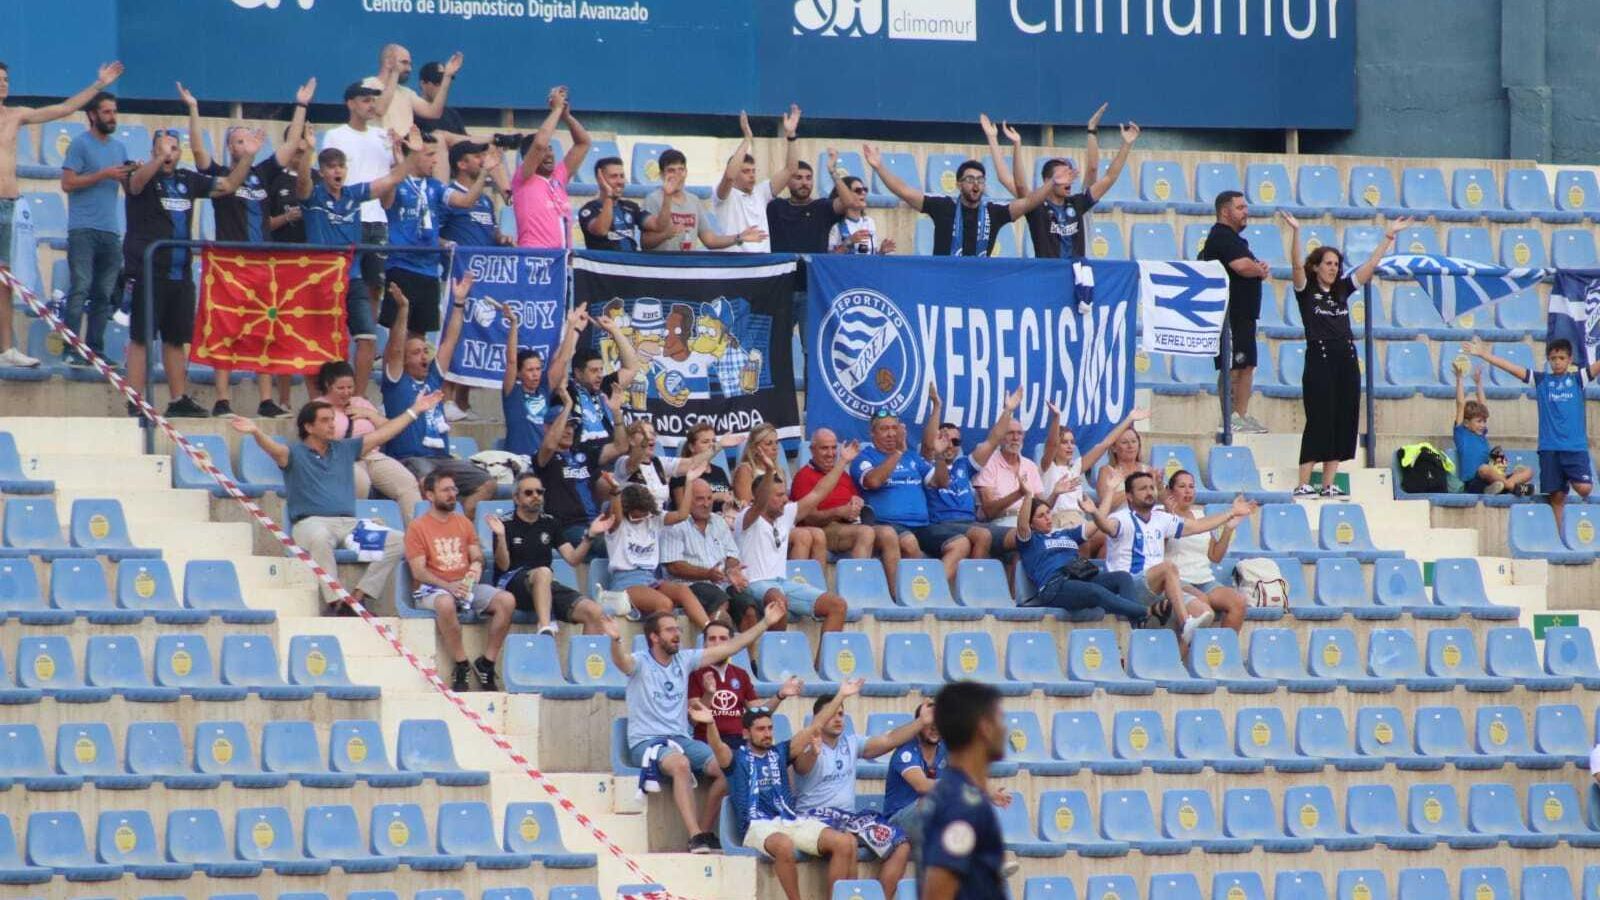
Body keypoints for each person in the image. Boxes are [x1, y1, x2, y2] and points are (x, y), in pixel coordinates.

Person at [608, 600, 787, 853]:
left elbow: (732, 645)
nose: (677, 634)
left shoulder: (685, 659)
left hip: (681, 739)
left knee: (730, 768)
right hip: (646, 742)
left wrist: (765, 623)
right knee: (680, 764)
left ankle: (706, 828)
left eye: (677, 629)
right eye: (670, 630)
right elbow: (622, 662)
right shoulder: (641, 661)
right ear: (654, 637)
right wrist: (615, 641)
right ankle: (696, 836)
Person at [229, 394, 429, 616]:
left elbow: (384, 433)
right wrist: (257, 432)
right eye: (325, 420)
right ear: (309, 426)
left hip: (350, 526)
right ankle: (336, 603)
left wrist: (415, 410)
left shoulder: (345, 449)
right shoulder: (294, 453)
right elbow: (273, 449)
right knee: (321, 536)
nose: (332, 424)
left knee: (398, 541)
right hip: (310, 524)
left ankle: (359, 597)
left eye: (332, 419)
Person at [187, 78, 314, 417]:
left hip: (263, 264)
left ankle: (265, 400)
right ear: (231, 148)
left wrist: (300, 105)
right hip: (229, 264)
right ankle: (223, 399)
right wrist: (194, 111)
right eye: (240, 140)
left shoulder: (262, 173)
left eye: (251, 138)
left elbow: (288, 150)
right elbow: (199, 152)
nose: (247, 143)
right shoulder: (217, 175)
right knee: (226, 330)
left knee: (266, 330)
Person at [123, 127, 253, 417]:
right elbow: (135, 186)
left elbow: (229, 185)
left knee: (175, 337)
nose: (169, 153)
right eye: (163, 147)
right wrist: (157, 159)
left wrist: (249, 157)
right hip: (148, 269)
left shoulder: (188, 180)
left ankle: (177, 399)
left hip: (180, 272)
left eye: (173, 148)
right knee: (142, 337)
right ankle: (135, 401)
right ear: (153, 150)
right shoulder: (139, 172)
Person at [0, 59, 122, 367]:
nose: (3, 84)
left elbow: (65, 108)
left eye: (5, 79)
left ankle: (6, 348)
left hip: (9, 206)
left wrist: (98, 85)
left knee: (5, 282)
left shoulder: (16, 116)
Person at [697, 684, 864, 900]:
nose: (767, 734)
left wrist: (840, 695)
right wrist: (710, 723)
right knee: (784, 844)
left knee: (843, 842)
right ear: (746, 733)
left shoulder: (781, 752)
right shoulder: (735, 760)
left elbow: (816, 726)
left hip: (791, 821)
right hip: (757, 826)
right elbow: (717, 745)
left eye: (769, 728)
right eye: (760, 729)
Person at [1280, 210, 1405, 496]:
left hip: (1346, 361)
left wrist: (1388, 237)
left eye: (1336, 264)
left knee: (1343, 418)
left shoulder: (1342, 291)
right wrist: (1297, 232)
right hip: (1320, 360)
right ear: (1317, 267)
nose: (1333, 268)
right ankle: (1303, 482)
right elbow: (1296, 266)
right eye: (1328, 263)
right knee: (1320, 418)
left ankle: (1328, 484)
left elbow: (1369, 266)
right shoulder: (1306, 290)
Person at [295, 128, 413, 397]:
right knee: (315, 343)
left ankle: (357, 399)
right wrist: (308, 152)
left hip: (353, 277)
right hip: (320, 280)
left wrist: (412, 154)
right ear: (322, 171)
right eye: (332, 167)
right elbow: (302, 182)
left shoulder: (353, 194)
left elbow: (393, 177)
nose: (337, 171)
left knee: (367, 337)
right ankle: (318, 400)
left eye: (341, 166)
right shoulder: (313, 197)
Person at [1083, 472, 1255, 646]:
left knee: (1203, 612)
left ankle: (1179, 663)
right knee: (1168, 568)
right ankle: (1185, 622)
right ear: (1129, 496)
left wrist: (1231, 513)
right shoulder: (1121, 518)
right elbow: (1105, 526)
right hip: (1129, 585)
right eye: (1143, 489)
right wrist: (1096, 513)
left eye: (1151, 488)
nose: (1149, 492)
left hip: (1157, 586)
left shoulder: (1162, 519)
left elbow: (1197, 526)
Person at [378, 272, 497, 519]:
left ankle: (461, 525)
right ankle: (433, 532)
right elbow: (397, 346)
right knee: (429, 483)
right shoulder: (396, 382)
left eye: (425, 351)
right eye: (416, 353)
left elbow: (450, 341)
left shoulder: (433, 379)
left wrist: (459, 303)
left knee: (488, 484)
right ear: (403, 359)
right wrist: (403, 310)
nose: (424, 356)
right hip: (411, 459)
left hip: (443, 459)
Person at [791, 692, 924, 897]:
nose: (838, 719)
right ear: (819, 717)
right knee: (847, 842)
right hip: (813, 817)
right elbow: (801, 766)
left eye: (841, 714)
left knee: (901, 845)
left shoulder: (851, 743)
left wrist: (922, 721)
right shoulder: (806, 747)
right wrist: (813, 752)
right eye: (832, 714)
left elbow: (889, 739)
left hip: (848, 818)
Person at [1468, 336, 1600, 531]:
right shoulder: (1541, 380)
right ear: (1548, 360)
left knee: (1585, 488)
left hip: (1574, 448)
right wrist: (1484, 354)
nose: (1557, 362)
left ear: (1569, 359)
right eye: (1553, 358)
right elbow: (1511, 368)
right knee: (1556, 497)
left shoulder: (1578, 379)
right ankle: (1558, 536)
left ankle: (1566, 475)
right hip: (1549, 449)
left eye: (1561, 358)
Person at [405, 470, 516, 692]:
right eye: (445, 490)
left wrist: (476, 564)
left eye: (454, 489)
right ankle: (461, 662)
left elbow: (476, 554)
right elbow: (418, 572)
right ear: (429, 495)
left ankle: (487, 663)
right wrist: (448, 586)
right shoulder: (417, 527)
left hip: (465, 586)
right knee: (445, 603)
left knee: (507, 600)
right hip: (432, 589)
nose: (452, 494)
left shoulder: (463, 522)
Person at [862, 140, 1053, 257]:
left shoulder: (994, 212)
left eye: (980, 180)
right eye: (969, 180)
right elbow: (903, 190)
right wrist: (879, 167)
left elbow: (1028, 202)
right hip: (945, 281)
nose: (975, 184)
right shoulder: (943, 206)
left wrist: (1052, 183)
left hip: (978, 282)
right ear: (958, 184)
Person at [739, 450, 854, 639]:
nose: (785, 499)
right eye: (778, 495)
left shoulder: (785, 514)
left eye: (784, 494)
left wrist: (843, 461)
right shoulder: (746, 517)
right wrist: (769, 471)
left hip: (782, 584)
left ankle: (821, 667)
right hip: (754, 583)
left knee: (837, 605)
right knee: (777, 599)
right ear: (763, 496)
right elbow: (759, 503)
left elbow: (819, 492)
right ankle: (776, 661)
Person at [918, 384, 1024, 583]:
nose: (950, 445)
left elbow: (993, 441)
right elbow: (930, 452)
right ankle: (974, 590)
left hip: (969, 524)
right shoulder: (926, 464)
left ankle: (1014, 600)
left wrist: (1008, 411)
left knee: (1023, 537)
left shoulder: (964, 465)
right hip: (940, 525)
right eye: (944, 440)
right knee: (982, 535)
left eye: (955, 442)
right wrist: (937, 407)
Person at [59, 88, 133, 365]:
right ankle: (71, 349)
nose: (112, 117)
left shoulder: (119, 148)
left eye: (114, 112)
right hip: (83, 229)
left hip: (111, 230)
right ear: (92, 115)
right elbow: (67, 183)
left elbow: (127, 184)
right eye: (106, 112)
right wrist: (103, 174)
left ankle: (95, 349)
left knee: (104, 292)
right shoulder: (79, 144)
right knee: (81, 287)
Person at [917, 681, 1010, 900]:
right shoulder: (963, 805)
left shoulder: (953, 793)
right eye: (999, 718)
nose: (1005, 728)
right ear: (984, 728)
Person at [487, 471, 608, 637]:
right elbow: (503, 565)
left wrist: (590, 536)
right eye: (529, 493)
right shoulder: (504, 524)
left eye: (539, 492)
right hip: (512, 586)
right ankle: (545, 627)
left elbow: (573, 559)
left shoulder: (550, 522)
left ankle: (583, 662)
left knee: (593, 611)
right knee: (544, 572)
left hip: (544, 586)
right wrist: (500, 536)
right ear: (516, 498)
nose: (535, 496)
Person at [1006, 487, 1145, 622]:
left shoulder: (1066, 534)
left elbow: (1098, 523)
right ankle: (1145, 611)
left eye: (1048, 512)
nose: (1048, 518)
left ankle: (1135, 627)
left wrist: (1107, 494)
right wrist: (1028, 495)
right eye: (1041, 516)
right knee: (1094, 591)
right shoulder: (1030, 542)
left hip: (1081, 577)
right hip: (1055, 587)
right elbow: (1022, 525)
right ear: (1032, 524)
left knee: (1123, 577)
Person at [790, 427, 902, 593]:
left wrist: (856, 504)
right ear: (812, 450)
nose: (830, 453)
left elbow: (854, 501)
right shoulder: (803, 476)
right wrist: (837, 512)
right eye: (824, 448)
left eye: (834, 448)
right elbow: (807, 518)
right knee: (865, 533)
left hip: (848, 525)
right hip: (822, 528)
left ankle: (897, 595)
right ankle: (855, 593)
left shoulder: (843, 475)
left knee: (888, 533)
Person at [312, 360, 422, 525]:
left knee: (406, 482)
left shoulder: (360, 402)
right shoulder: (317, 407)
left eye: (350, 387)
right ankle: (354, 531)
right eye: (340, 388)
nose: (346, 392)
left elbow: (390, 429)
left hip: (372, 455)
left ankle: (416, 535)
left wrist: (369, 414)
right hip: (341, 458)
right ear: (328, 385)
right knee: (361, 482)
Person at [1018, 115, 1139, 260]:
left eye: (1070, 175)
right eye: (1062, 175)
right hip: (1049, 275)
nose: (1068, 180)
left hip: (1078, 275)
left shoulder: (1076, 203)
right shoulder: (1036, 207)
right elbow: (1020, 185)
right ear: (1047, 180)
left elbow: (1109, 178)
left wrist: (1126, 145)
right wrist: (1016, 144)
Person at [323, 82, 393, 332]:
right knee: (343, 283)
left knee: (374, 285)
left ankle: (367, 342)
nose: (371, 105)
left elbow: (391, 176)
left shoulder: (383, 136)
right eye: (365, 99)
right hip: (348, 219)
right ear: (350, 103)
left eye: (374, 100)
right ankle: (337, 337)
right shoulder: (335, 135)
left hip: (378, 219)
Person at [1203, 191, 1274, 434]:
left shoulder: (1236, 240)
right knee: (1232, 366)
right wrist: (1258, 269)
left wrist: (1258, 267)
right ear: (1225, 211)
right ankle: (1229, 417)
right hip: (1229, 317)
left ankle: (1240, 415)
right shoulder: (1220, 236)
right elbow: (1242, 267)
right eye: (1240, 207)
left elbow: (1249, 265)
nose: (1246, 212)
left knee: (1247, 366)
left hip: (1245, 315)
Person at [601, 483, 711, 627]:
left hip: (650, 578)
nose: (642, 518)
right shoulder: (617, 525)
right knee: (664, 603)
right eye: (636, 516)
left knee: (683, 591)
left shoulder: (653, 519)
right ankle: (662, 640)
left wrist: (689, 481)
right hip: (626, 582)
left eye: (645, 514)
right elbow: (616, 515)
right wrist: (615, 492)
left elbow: (682, 515)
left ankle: (709, 629)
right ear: (627, 511)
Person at [536, 384, 629, 550]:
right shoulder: (543, 458)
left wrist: (616, 412)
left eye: (572, 426)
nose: (569, 431)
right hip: (568, 528)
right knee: (613, 545)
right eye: (564, 425)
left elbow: (620, 446)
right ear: (547, 428)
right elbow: (549, 445)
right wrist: (568, 406)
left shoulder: (584, 453)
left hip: (595, 522)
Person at [854, 411, 949, 569]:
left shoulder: (912, 457)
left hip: (923, 526)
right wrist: (898, 452)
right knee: (909, 542)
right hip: (887, 525)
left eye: (894, 428)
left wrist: (939, 456)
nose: (891, 433)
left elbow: (942, 483)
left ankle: (938, 586)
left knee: (961, 543)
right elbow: (873, 481)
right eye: (884, 429)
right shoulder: (865, 457)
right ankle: (920, 589)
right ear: (872, 433)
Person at [664, 480, 763, 629]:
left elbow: (732, 555)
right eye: (700, 499)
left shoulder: (719, 522)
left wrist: (730, 570)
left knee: (749, 608)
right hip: (690, 585)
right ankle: (719, 648)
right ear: (687, 500)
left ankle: (749, 652)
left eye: (709, 498)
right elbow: (674, 567)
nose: (706, 504)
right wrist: (707, 574)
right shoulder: (675, 524)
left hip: (721, 583)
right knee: (719, 601)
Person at [1162, 470, 1247, 632]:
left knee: (1239, 602)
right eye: (1182, 486)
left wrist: (1228, 529)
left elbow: (1215, 556)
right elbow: (1158, 547)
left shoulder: (1201, 515)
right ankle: (1197, 653)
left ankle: (1223, 650)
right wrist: (1169, 513)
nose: (1188, 491)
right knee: (1203, 602)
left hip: (1204, 580)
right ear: (1171, 491)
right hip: (1179, 580)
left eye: (1191, 486)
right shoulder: (1162, 515)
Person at [712, 107, 801, 254]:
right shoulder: (723, 195)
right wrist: (747, 139)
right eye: (746, 171)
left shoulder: (761, 192)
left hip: (761, 267)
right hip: (732, 267)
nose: (752, 175)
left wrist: (791, 135)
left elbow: (791, 169)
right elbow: (729, 176)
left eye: (753, 171)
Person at [1039, 403, 1142, 528]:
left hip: (1079, 520)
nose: (1070, 446)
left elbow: (1105, 444)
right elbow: (1051, 445)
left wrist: (1129, 419)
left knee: (1109, 535)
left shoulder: (1076, 467)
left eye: (1072, 442)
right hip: (1059, 521)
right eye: (1064, 442)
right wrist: (1056, 418)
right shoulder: (1048, 466)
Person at [512, 86, 591, 250]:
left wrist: (566, 116)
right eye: (543, 152)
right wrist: (556, 110)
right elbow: (540, 144)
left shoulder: (559, 176)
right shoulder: (524, 177)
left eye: (551, 150)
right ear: (529, 157)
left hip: (562, 260)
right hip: (534, 258)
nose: (549, 155)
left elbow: (584, 143)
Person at [642, 149, 764, 252]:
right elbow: (645, 243)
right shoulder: (653, 199)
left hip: (689, 271)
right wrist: (665, 235)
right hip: (662, 271)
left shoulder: (693, 200)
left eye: (681, 170)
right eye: (671, 171)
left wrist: (739, 237)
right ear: (662, 175)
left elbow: (710, 240)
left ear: (686, 172)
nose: (677, 175)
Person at [502, 305, 578, 460]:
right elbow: (511, 360)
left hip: (543, 460)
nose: (536, 374)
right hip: (518, 460)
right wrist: (514, 324)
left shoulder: (544, 389)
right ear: (519, 373)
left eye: (538, 369)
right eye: (530, 370)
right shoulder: (512, 392)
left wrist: (571, 326)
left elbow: (563, 359)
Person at [1453, 364, 1533, 497]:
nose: (1483, 425)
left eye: (1484, 421)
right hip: (1474, 482)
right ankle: (1513, 487)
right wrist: (1459, 378)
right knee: (1484, 469)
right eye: (1479, 421)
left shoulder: (1482, 434)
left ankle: (1501, 487)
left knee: (1528, 471)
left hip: (1494, 480)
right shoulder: (1462, 434)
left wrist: (1479, 383)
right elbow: (1460, 404)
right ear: (1466, 423)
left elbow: (1483, 405)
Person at [369, 45, 463, 142]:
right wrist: (394, 74)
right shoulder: (368, 85)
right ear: (388, 62)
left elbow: (434, 112)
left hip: (405, 151)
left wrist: (447, 76)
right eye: (404, 63)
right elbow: (379, 110)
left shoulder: (407, 93)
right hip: (380, 149)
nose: (409, 69)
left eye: (410, 64)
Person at [766, 154, 847, 254]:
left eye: (808, 178)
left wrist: (833, 172)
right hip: (783, 267)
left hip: (814, 268)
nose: (804, 183)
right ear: (787, 182)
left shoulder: (822, 207)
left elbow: (847, 202)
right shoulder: (775, 207)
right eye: (798, 178)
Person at [579, 156, 647, 251]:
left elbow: (656, 226)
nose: (620, 181)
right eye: (614, 176)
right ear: (600, 179)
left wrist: (667, 196)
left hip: (631, 264)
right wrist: (609, 195)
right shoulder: (589, 209)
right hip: (605, 264)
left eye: (622, 176)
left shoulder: (630, 206)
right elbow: (601, 230)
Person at [1091, 411, 1157, 506]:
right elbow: (1105, 504)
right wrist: (1134, 489)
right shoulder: (1106, 471)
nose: (1130, 446)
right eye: (1124, 442)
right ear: (1114, 448)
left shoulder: (1148, 470)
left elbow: (1155, 500)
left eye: (1134, 441)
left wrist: (1159, 487)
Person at [668, 423, 738, 511]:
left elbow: (729, 496)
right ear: (692, 447)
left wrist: (736, 503)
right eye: (705, 442)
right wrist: (713, 497)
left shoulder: (719, 471)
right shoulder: (681, 474)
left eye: (714, 441)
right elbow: (682, 510)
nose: (712, 445)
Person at [267, 123, 312, 244]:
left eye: (303, 152)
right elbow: (262, 224)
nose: (300, 155)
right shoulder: (273, 179)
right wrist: (287, 217)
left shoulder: (319, 178)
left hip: (314, 254)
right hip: (282, 253)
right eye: (296, 151)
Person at [827, 176, 895, 254]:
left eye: (865, 190)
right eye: (858, 190)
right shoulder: (836, 225)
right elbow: (829, 258)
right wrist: (849, 242)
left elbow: (870, 257)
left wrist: (881, 252)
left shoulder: (869, 222)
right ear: (845, 196)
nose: (863, 193)